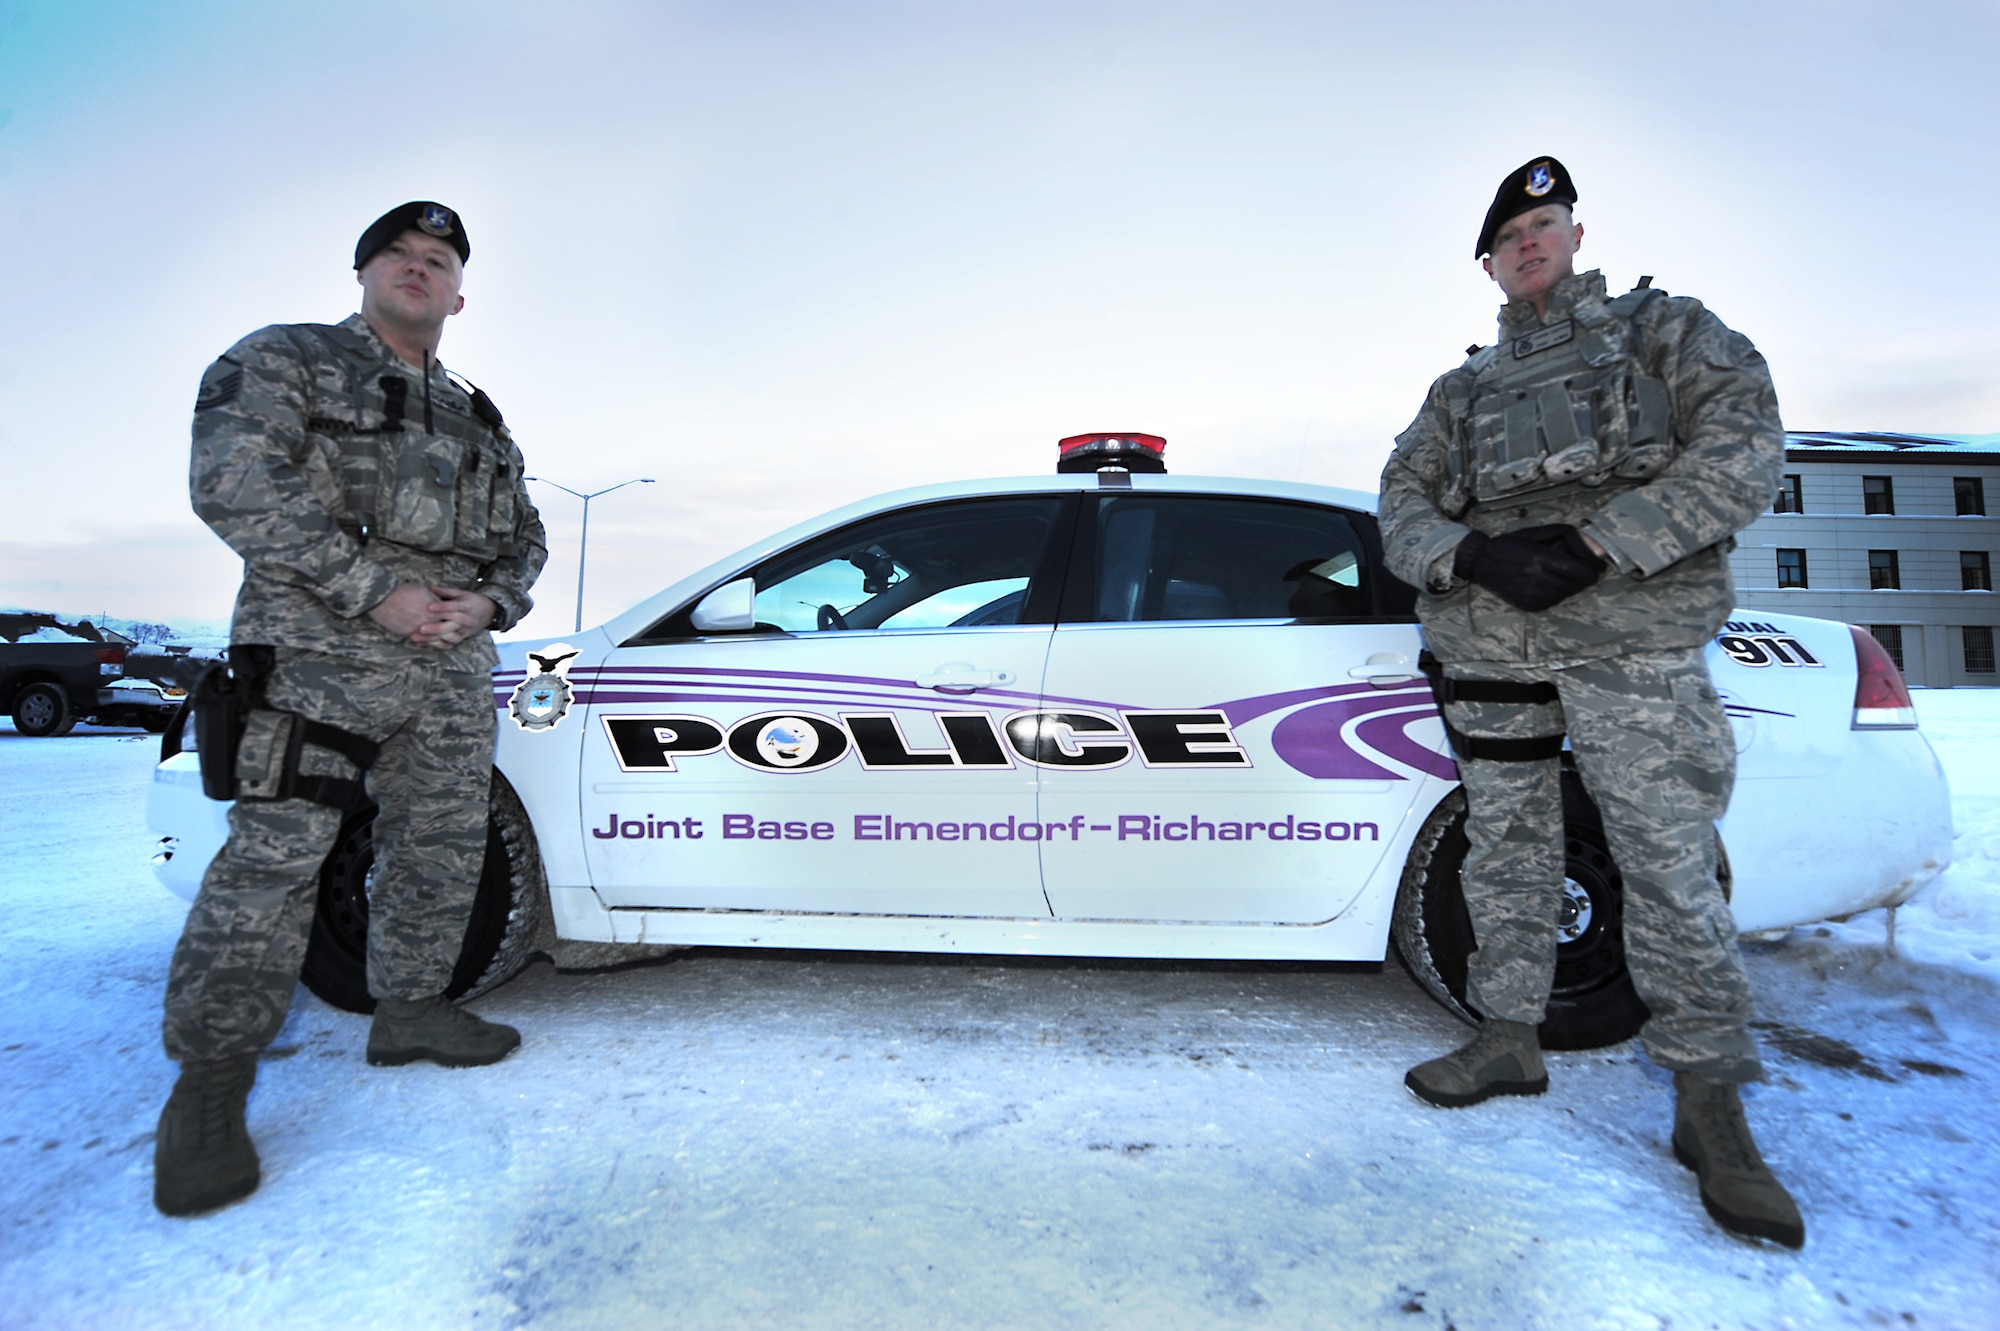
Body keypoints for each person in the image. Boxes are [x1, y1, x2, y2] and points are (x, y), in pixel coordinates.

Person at [1378, 158, 1804, 1248]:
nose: (1527, 241)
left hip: (1632, 640)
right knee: (1507, 851)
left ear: (1572, 232)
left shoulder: (1666, 331)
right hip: (1491, 641)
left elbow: (1743, 454)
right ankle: (1508, 1032)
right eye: (1507, 233)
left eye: (1542, 222)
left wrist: (1596, 542)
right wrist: (1470, 552)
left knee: (1663, 859)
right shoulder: (1459, 391)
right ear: (1485, 262)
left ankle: (1708, 1096)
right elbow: (1400, 505)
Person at [154, 202, 548, 1217]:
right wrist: (373, 584)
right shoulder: (285, 359)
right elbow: (234, 484)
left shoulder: (479, 415)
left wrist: (489, 600)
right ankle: (208, 1089)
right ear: (366, 271)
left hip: (449, 665)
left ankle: (410, 1008)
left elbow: (527, 536)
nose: (418, 270)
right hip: (319, 647)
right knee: (276, 857)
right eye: (400, 256)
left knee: (441, 840)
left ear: (460, 295)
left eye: (438, 261)